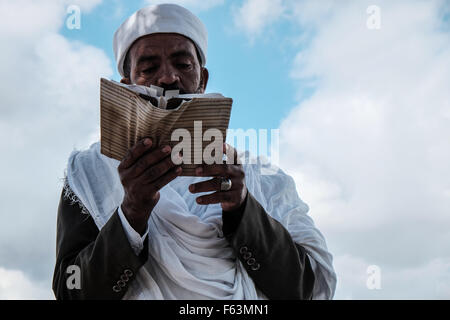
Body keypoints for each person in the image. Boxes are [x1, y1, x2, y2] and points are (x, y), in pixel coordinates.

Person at [52, 3, 336, 300]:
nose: (168, 78)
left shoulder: (263, 178)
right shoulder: (91, 173)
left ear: (203, 80)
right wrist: (132, 211)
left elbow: (310, 288)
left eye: (183, 65)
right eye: (148, 68)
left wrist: (242, 208)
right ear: (127, 86)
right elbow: (70, 291)